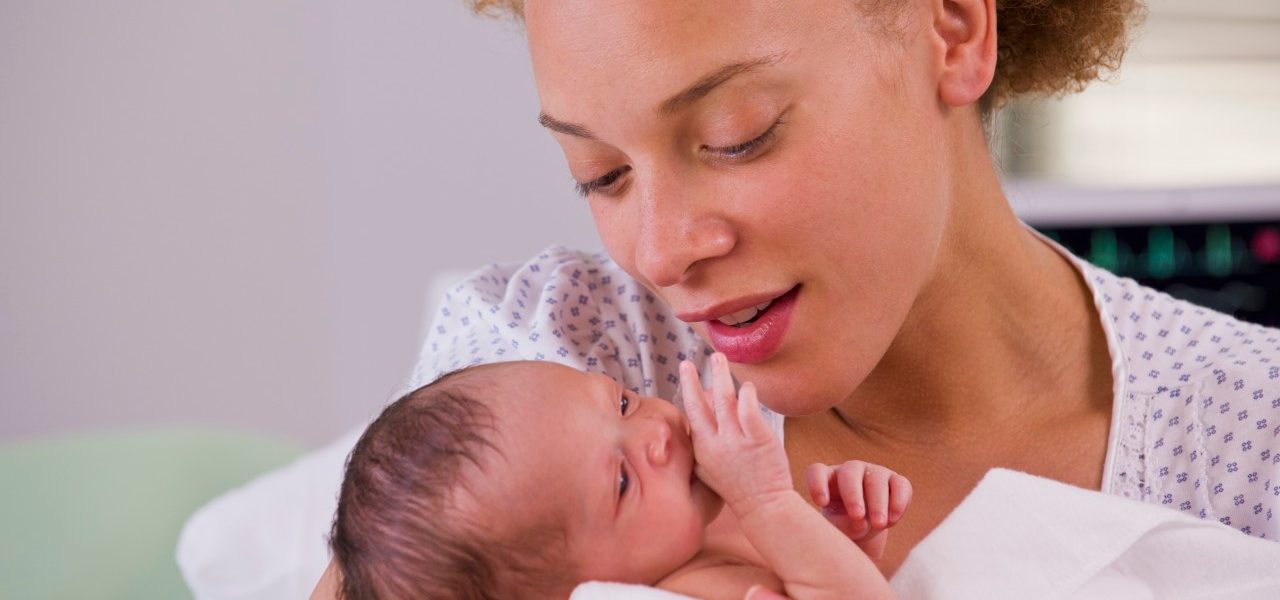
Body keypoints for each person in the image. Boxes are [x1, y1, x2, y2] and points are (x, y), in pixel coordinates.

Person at [314, 0, 1280, 594]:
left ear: (953, 28)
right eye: (599, 174)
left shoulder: (1247, 441)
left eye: (738, 135)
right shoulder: (549, 356)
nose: (660, 250)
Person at [328, 354, 911, 599]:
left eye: (623, 404)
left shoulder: (707, 534)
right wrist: (768, 502)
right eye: (623, 483)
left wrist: (842, 535)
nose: (656, 432)